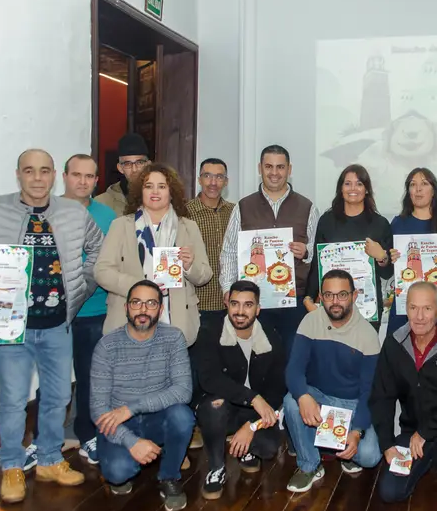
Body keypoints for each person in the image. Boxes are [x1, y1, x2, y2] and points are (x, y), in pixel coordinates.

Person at [0, 149, 104, 503]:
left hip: (56, 324)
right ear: (17, 174)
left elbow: (97, 248)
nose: (37, 178)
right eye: (29, 171)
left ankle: (49, 458)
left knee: (58, 396)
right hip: (11, 327)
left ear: (54, 176)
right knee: (14, 399)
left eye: (44, 171)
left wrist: (82, 286)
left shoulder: (73, 212)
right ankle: (11, 464)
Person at [370, 281, 437, 511]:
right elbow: (381, 396)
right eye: (413, 308)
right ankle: (434, 455)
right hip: (413, 430)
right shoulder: (394, 344)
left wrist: (427, 433)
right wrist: (387, 444)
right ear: (405, 309)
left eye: (427, 309)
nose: (419, 316)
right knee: (389, 492)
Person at [90, 280, 194, 511]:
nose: (143, 310)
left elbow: (183, 391)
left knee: (182, 416)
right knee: (118, 473)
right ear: (126, 308)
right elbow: (98, 409)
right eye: (136, 303)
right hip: (118, 423)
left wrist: (132, 407)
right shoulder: (107, 346)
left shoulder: (173, 338)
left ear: (160, 309)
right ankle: (131, 456)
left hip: (157, 417)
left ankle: (169, 476)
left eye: (151, 303)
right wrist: (131, 441)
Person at [283, 270, 383, 492]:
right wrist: (303, 395)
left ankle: (340, 447)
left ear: (354, 296)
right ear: (320, 296)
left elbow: (370, 392)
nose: (335, 302)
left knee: (369, 457)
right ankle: (309, 464)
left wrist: (356, 432)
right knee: (291, 400)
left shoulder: (367, 334)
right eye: (328, 295)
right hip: (318, 396)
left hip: (351, 403)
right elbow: (293, 370)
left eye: (342, 295)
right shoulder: (310, 321)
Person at [95, 162, 212, 347]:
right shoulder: (121, 226)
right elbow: (102, 271)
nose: (155, 192)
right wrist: (139, 288)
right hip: (128, 322)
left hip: (176, 322)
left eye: (162, 186)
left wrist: (189, 266)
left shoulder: (188, 227)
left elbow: (204, 275)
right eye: (148, 186)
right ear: (139, 191)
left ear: (171, 191)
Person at [219, 145, 320, 356]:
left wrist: (306, 251)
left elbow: (318, 249)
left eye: (280, 167)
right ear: (260, 168)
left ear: (289, 169)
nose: (274, 173)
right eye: (269, 167)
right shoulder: (243, 207)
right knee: (259, 358)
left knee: (294, 356)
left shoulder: (307, 207)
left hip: (295, 301)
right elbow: (229, 251)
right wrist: (228, 288)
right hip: (255, 301)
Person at [49, 153, 117, 466]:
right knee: (54, 378)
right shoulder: (47, 211)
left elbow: (113, 260)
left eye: (90, 176)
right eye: (77, 175)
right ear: (64, 176)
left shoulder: (107, 215)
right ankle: (47, 440)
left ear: (96, 181)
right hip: (51, 312)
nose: (83, 182)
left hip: (95, 310)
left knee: (91, 378)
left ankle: (87, 435)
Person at [194, 280, 287, 500]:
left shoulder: (271, 338)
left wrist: (251, 426)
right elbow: (209, 379)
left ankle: (244, 449)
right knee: (213, 407)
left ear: (258, 308)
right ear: (227, 304)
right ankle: (216, 467)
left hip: (252, 412)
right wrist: (253, 398)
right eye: (235, 304)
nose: (240, 311)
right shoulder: (210, 331)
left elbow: (277, 388)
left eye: (248, 305)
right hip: (222, 404)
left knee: (268, 448)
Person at [305, 164, 394, 330]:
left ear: (367, 189)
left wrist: (382, 256)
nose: (353, 188)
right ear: (340, 188)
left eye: (359, 183)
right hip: (333, 307)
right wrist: (308, 297)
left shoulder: (380, 224)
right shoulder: (327, 221)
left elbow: (387, 272)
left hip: (368, 307)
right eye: (348, 183)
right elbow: (318, 263)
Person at [386, 167, 437, 338]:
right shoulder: (398, 223)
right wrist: (392, 259)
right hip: (404, 305)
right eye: (413, 185)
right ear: (409, 191)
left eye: (424, 184)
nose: (418, 189)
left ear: (433, 190)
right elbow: (388, 266)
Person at [186, 157, 235, 332]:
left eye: (219, 177)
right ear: (199, 179)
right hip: (197, 305)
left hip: (232, 304)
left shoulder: (236, 212)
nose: (213, 182)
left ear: (226, 181)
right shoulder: (184, 213)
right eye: (207, 176)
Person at [95, 132, 150, 216]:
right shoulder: (102, 203)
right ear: (120, 168)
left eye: (139, 162)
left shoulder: (159, 198)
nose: (134, 169)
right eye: (128, 164)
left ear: (148, 165)